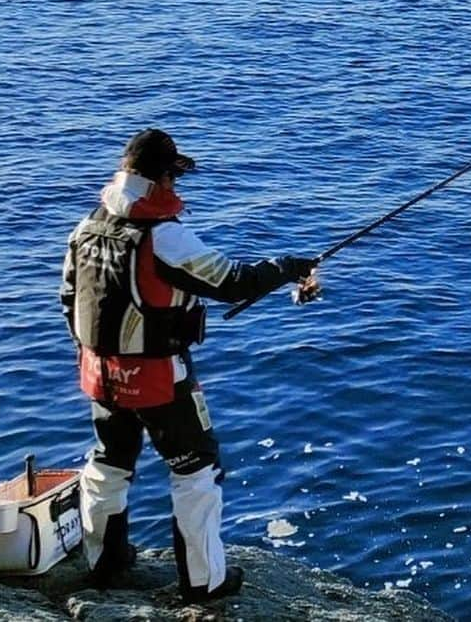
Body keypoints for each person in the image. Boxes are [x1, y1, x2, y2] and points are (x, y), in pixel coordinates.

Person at [59, 128, 319, 603]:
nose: (178, 190)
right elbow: (231, 281)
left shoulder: (85, 228)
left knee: (109, 464)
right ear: (159, 179)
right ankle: (204, 582)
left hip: (98, 374)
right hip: (159, 378)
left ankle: (104, 561)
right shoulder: (164, 237)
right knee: (197, 470)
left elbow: (67, 299)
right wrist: (289, 266)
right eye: (174, 179)